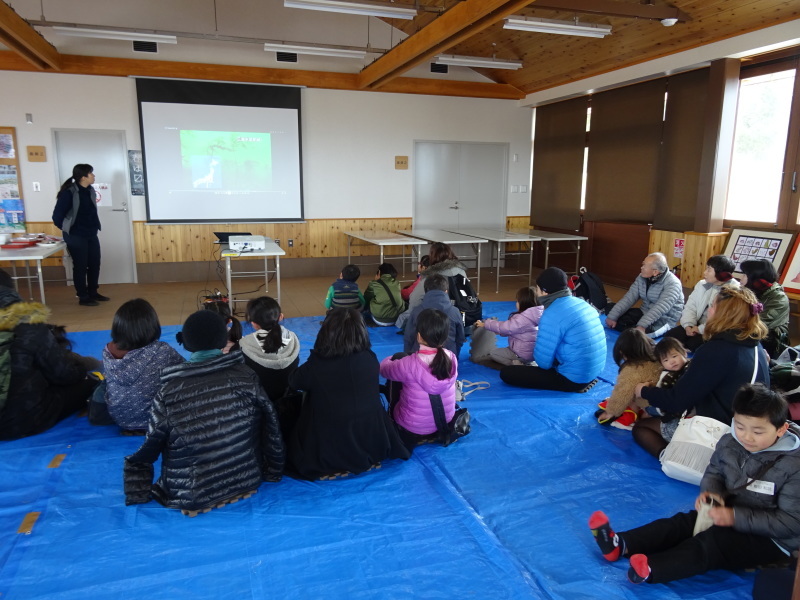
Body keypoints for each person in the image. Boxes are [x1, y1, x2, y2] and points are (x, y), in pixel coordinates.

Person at [588, 384, 800, 585]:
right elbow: (714, 472)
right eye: (740, 426)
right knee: (683, 523)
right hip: (731, 511)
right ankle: (620, 544)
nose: (746, 436)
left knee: (715, 543)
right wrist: (712, 494)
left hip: (773, 539)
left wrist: (734, 517)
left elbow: (790, 522)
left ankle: (651, 570)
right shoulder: (730, 441)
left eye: (758, 431)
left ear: (781, 429)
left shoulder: (794, 465)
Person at [123, 310, 285, 514]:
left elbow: (150, 445)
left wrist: (136, 492)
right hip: (247, 479)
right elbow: (271, 427)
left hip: (190, 492)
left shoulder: (169, 391)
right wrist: (273, 472)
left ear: (187, 343)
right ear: (223, 339)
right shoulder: (247, 375)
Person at [632, 285, 770, 458]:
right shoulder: (755, 345)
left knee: (642, 428)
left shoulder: (717, 350)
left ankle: (673, 459)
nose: (709, 311)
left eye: (712, 306)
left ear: (723, 314)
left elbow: (677, 401)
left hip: (722, 431)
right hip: (749, 427)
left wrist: (643, 391)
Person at [285, 308, 410, 480]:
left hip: (330, 440)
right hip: (372, 437)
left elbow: (294, 382)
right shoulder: (369, 357)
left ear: (327, 333)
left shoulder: (319, 364)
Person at [0, 271, 98, 440]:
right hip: (19, 420)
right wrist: (85, 369)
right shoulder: (27, 321)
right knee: (90, 382)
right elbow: (63, 374)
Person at [500, 267, 606, 392]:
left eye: (537, 288)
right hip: (594, 371)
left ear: (544, 292)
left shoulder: (551, 314)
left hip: (573, 380)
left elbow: (543, 363)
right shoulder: (581, 303)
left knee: (507, 373)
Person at [380, 309, 458, 449]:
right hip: (445, 420)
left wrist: (390, 358)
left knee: (398, 361)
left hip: (413, 427)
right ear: (445, 336)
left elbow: (384, 370)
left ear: (419, 336)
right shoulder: (452, 357)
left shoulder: (409, 363)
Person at [101, 298, 184, 431]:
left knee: (103, 385)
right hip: (155, 420)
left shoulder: (108, 350)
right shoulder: (161, 350)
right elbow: (185, 370)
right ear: (151, 326)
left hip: (120, 418)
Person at [52, 163, 108, 307]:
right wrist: (68, 229)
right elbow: (57, 216)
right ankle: (83, 296)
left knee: (95, 264)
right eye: (91, 173)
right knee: (81, 266)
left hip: (91, 233)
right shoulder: (69, 192)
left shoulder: (90, 190)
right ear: (83, 177)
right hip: (76, 235)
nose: (94, 176)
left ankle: (93, 292)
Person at [663, 255, 738, 352]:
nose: (704, 273)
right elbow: (690, 306)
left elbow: (721, 319)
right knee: (670, 337)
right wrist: (688, 325)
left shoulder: (733, 291)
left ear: (721, 274)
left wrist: (700, 329)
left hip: (714, 329)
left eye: (709, 270)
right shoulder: (702, 284)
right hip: (695, 323)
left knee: (693, 345)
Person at [595, 329, 663, 430]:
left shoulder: (632, 369)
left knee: (630, 398)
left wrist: (610, 412)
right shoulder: (658, 353)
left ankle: (636, 418)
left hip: (656, 407)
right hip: (669, 399)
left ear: (623, 352)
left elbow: (622, 394)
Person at [605, 252, 683, 338]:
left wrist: (642, 325)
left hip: (664, 319)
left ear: (655, 272)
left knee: (639, 335)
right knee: (610, 310)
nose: (641, 268)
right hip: (644, 312)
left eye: (644, 266)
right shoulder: (642, 277)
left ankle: (634, 329)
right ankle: (632, 328)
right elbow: (629, 298)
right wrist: (612, 317)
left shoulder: (673, 283)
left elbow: (660, 308)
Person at [240, 296, 300, 403]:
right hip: (290, 399)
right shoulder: (293, 338)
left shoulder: (244, 344)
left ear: (253, 323)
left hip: (262, 401)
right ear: (281, 317)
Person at [471, 286, 544, 368]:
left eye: (517, 301)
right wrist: (497, 331)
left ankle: (517, 365)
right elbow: (513, 330)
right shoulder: (539, 314)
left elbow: (506, 327)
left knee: (494, 353)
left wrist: (486, 324)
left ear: (524, 303)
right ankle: (527, 362)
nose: (516, 303)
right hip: (534, 354)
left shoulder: (522, 319)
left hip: (521, 354)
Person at [403, 274, 465, 358]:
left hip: (420, 359)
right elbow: (460, 339)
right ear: (446, 291)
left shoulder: (416, 311)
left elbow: (409, 337)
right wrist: (454, 356)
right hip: (447, 360)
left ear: (425, 291)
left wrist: (408, 358)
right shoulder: (454, 311)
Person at [740, 258, 790, 358]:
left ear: (755, 278)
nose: (741, 278)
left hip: (769, 341)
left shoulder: (779, 298)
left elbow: (758, 323)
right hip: (748, 334)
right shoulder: (750, 291)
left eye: (745, 274)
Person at [407, 242, 468, 313]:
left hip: (437, 317)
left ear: (433, 257)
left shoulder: (430, 276)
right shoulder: (461, 271)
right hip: (462, 312)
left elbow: (415, 299)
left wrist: (412, 316)